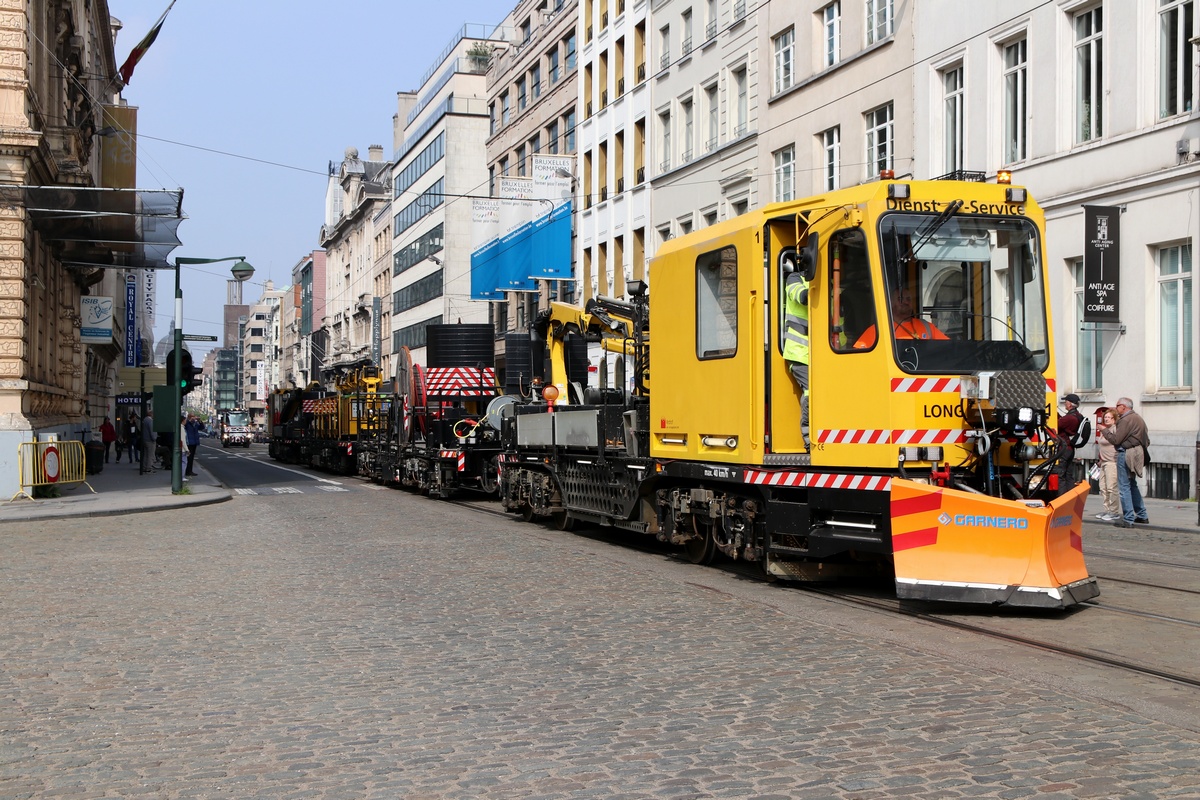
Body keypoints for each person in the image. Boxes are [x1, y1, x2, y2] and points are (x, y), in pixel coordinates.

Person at [1100, 396, 1150, 528]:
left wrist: (1103, 430)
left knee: (1124, 486)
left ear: (1124, 407)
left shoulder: (1125, 420)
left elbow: (1116, 440)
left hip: (1126, 453)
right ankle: (1142, 515)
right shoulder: (1138, 418)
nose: (1116, 408)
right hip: (1137, 453)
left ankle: (1128, 518)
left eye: (1117, 406)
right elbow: (1146, 440)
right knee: (1132, 485)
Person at [853, 287, 949, 348]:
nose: (905, 302)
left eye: (908, 299)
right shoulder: (878, 329)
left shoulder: (926, 326)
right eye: (900, 299)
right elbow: (859, 356)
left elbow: (948, 347)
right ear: (890, 303)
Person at [781, 252, 810, 446]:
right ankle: (808, 439)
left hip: (828, 353)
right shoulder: (794, 279)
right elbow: (802, 296)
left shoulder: (833, 284)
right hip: (799, 352)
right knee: (812, 392)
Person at [1094, 407, 1120, 521]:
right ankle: (1107, 509)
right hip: (1103, 462)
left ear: (1114, 419)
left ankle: (1114, 511)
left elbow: (1115, 441)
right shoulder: (1103, 432)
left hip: (1112, 462)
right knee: (1103, 487)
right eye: (1105, 417)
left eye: (1109, 417)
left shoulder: (1114, 429)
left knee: (1111, 487)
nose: (1107, 419)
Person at [1056, 393, 1086, 488]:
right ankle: (1069, 497)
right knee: (1069, 475)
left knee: (1061, 475)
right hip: (1070, 449)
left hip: (1064, 449)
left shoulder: (1069, 418)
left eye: (1065, 402)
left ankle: (1062, 497)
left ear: (1069, 404)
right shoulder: (1077, 415)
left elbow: (1056, 425)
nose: (1064, 404)